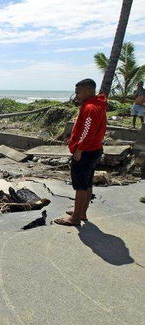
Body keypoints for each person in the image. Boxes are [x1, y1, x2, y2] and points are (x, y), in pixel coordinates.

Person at [54, 78, 107, 226]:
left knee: (81, 186)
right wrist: (73, 140)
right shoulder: (98, 104)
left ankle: (75, 218)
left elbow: (87, 131)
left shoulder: (90, 108)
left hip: (86, 151)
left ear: (88, 91)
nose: (76, 95)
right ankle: (82, 212)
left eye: (78, 92)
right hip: (95, 148)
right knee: (87, 183)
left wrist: (79, 148)